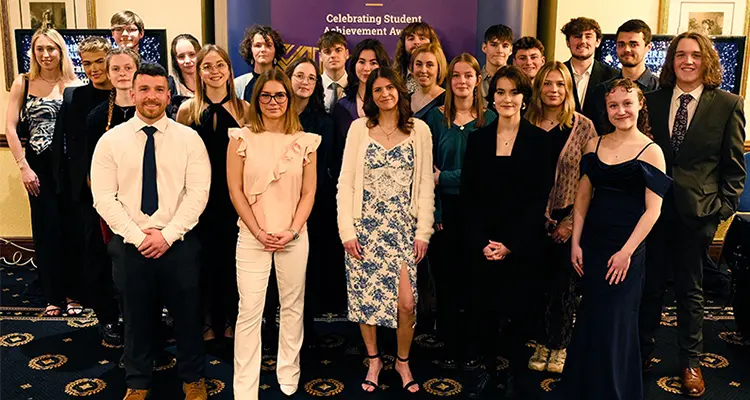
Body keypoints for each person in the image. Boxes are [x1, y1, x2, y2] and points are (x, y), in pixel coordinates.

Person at [91, 63, 210, 400]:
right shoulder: (110, 141)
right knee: (135, 316)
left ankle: (193, 378)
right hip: (131, 242)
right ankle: (138, 381)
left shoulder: (190, 140)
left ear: (168, 95)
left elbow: (198, 194)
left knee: (188, 316)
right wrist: (138, 236)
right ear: (132, 93)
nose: (151, 97)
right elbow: (103, 197)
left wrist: (168, 235)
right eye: (144, 89)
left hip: (179, 241)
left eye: (159, 90)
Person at [640, 31, 746, 397]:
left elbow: (734, 170)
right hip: (650, 211)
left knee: (690, 291)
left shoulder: (728, 104)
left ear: (707, 61)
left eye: (696, 55)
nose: (688, 61)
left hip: (698, 214)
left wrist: (721, 211)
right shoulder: (651, 101)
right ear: (671, 61)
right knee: (648, 287)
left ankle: (690, 362)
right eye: (680, 54)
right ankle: (640, 353)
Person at [564, 78, 670, 400]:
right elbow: (582, 198)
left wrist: (626, 252)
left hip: (627, 248)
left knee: (616, 324)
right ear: (606, 110)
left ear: (640, 105)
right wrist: (575, 242)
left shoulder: (651, 151)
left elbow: (653, 211)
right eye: (614, 105)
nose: (621, 110)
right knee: (590, 318)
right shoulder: (593, 144)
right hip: (594, 244)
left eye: (627, 103)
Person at [337, 67, 434, 393]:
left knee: (406, 302)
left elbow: (424, 186)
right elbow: (345, 183)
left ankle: (403, 362)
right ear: (372, 96)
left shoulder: (419, 130)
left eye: (390, 88)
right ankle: (375, 359)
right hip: (365, 227)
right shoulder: (358, 129)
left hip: (403, 228)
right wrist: (346, 230)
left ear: (400, 91)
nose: (385, 94)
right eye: (378, 89)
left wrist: (423, 232)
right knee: (368, 300)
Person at [460, 65, 554, 398]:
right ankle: (489, 371)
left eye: (514, 92)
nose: (507, 98)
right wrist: (482, 242)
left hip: (521, 243)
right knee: (485, 313)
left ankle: (515, 374)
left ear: (525, 98)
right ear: (491, 97)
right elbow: (468, 197)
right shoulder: (477, 139)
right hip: (483, 243)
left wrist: (510, 244)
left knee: (518, 313)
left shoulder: (540, 142)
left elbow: (538, 199)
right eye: (500, 92)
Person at [228, 69, 320, 399]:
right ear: (257, 100)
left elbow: (309, 193)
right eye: (265, 96)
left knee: (292, 307)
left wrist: (293, 230)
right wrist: (257, 231)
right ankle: (245, 386)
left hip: (293, 238)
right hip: (252, 237)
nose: (272, 102)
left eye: (279, 95)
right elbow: (236, 191)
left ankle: (288, 373)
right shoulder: (240, 138)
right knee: (249, 311)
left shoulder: (306, 141)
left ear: (289, 100)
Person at [524, 61, 597, 374]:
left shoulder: (583, 127)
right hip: (529, 219)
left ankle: (559, 345)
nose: (553, 90)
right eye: (547, 84)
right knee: (536, 284)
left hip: (569, 217)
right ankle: (539, 341)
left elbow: (591, 180)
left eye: (559, 84)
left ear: (568, 89)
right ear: (538, 88)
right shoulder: (525, 123)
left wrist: (570, 223)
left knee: (563, 285)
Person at [425, 53, 495, 371]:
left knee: (475, 279)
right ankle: (449, 344)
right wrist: (435, 212)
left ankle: (473, 345)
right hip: (444, 212)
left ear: (478, 80)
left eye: (468, 75)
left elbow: (486, 173)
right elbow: (426, 173)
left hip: (479, 211)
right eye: (456, 76)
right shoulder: (434, 119)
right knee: (447, 281)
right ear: (449, 80)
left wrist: (447, 177)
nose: (462, 81)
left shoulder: (491, 120)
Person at [4, 28, 80, 317]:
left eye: (52, 48)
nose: (46, 54)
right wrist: (23, 167)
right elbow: (10, 128)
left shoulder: (73, 84)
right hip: (38, 169)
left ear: (61, 51)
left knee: (73, 232)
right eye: (40, 49)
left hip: (70, 170)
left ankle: (74, 294)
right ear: (33, 53)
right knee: (47, 231)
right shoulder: (23, 82)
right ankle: (53, 297)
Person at [176, 44, 248, 344]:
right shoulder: (187, 110)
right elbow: (177, 158)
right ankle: (206, 322)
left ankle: (230, 319)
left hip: (234, 198)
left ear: (230, 70)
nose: (215, 71)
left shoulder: (245, 109)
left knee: (233, 261)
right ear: (199, 71)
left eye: (220, 65)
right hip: (199, 199)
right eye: (208, 66)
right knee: (202, 263)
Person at [51, 35, 120, 342]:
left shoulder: (128, 96)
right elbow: (65, 148)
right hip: (90, 193)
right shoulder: (74, 98)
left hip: (129, 190)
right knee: (97, 255)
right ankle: (106, 317)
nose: (93, 68)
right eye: (86, 62)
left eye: (98, 61)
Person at [285, 57, 344, 347]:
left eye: (311, 78)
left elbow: (330, 169)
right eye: (299, 76)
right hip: (279, 204)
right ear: (288, 79)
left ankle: (307, 331)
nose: (305, 82)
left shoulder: (325, 122)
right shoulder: (275, 116)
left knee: (309, 269)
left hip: (315, 206)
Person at [588, 20, 660, 132]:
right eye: (621, 44)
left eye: (633, 44)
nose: (626, 49)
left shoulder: (661, 89)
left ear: (648, 47)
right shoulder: (602, 90)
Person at [331, 38, 390, 157]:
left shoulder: (390, 103)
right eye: (362, 62)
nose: (366, 68)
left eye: (373, 63)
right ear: (354, 65)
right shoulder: (342, 106)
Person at [87, 48, 141, 160]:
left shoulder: (152, 110)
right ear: (108, 74)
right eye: (115, 69)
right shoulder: (96, 116)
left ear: (138, 72)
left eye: (128, 68)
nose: (122, 73)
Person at [560, 17, 618, 121]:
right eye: (577, 36)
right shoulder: (556, 74)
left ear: (597, 42)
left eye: (588, 36)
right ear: (567, 42)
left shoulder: (613, 77)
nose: (583, 41)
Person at [236, 25, 284, 100]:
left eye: (268, 45)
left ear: (276, 51)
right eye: (258, 46)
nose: (263, 49)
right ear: (250, 50)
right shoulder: (238, 84)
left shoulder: (285, 82)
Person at [393, 22, 442, 94]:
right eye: (411, 38)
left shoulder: (444, 77)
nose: (416, 42)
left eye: (422, 38)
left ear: (431, 42)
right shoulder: (395, 75)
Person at [410, 43, 447, 120]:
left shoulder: (448, 100)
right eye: (419, 64)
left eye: (429, 65)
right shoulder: (405, 100)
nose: (423, 70)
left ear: (439, 69)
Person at [480, 24, 514, 107]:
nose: (499, 50)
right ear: (484, 47)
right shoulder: (474, 80)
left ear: (510, 50)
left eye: (505, 46)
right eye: (494, 45)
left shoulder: (518, 81)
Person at [168, 33, 200, 118]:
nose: (187, 60)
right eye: (181, 57)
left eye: (192, 55)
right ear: (175, 60)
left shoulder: (211, 82)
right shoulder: (169, 85)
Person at [318, 31, 349, 113]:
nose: (333, 55)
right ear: (320, 57)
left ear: (347, 53)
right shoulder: (312, 86)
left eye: (338, 50)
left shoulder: (357, 86)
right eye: (327, 52)